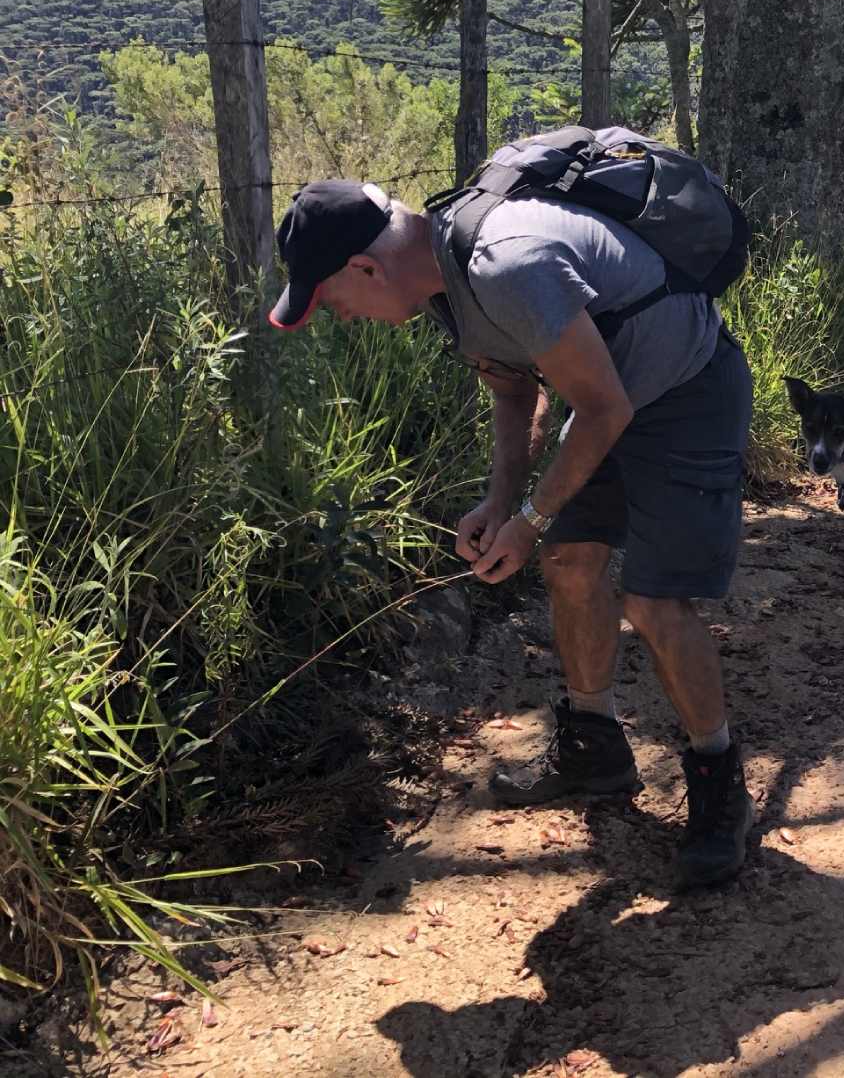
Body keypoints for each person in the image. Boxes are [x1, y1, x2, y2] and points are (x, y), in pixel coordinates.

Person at [266, 169, 755, 889]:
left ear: (366, 266)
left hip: (687, 392)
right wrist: (503, 504)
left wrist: (530, 520)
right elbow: (515, 387)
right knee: (570, 565)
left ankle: (718, 781)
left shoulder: (507, 263)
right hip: (610, 395)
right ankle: (595, 748)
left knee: (652, 600)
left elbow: (603, 411)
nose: (342, 316)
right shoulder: (445, 284)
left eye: (331, 298)